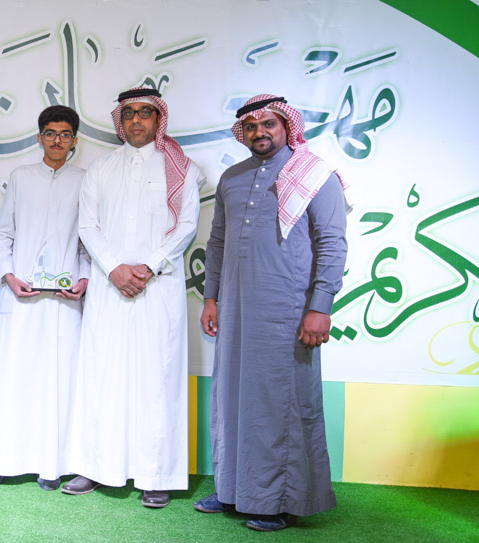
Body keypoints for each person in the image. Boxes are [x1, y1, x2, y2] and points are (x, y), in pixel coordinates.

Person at [196, 94, 348, 531]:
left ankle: (275, 500)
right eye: (251, 126)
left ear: (287, 127)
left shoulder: (315, 176)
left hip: (288, 309)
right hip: (235, 310)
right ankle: (232, 488)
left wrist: (320, 307)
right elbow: (218, 242)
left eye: (269, 124)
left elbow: (332, 244)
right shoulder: (232, 177)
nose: (259, 132)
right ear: (242, 132)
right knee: (231, 397)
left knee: (279, 401)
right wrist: (211, 297)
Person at [62, 88, 201, 508]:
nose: (137, 120)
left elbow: (187, 225)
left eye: (145, 113)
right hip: (109, 287)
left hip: (158, 288)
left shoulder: (181, 169)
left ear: (159, 120)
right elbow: (87, 225)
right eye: (129, 114)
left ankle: (156, 475)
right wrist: (114, 268)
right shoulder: (101, 168)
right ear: (119, 121)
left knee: (156, 379)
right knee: (102, 374)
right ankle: (94, 467)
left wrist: (149, 266)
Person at [0, 105, 89, 491]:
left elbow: (87, 241)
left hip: (65, 300)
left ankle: (52, 465)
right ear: (39, 137)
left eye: (65, 134)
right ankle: (4, 463)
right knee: (16, 375)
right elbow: (4, 234)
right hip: (22, 297)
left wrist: (84, 278)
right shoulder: (21, 177)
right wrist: (9, 275)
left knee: (60, 380)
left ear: (74, 141)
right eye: (50, 133)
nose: (57, 140)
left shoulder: (85, 181)